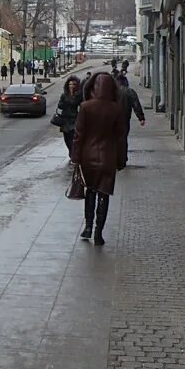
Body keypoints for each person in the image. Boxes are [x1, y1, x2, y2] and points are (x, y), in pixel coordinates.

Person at [71, 72, 124, 246]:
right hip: (108, 156)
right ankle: (99, 233)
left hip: (88, 156)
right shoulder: (116, 109)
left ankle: (87, 226)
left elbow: (78, 136)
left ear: (93, 87)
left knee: (90, 192)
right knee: (104, 194)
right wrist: (121, 160)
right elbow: (120, 137)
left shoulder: (85, 107)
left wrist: (76, 158)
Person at [115, 73, 146, 167]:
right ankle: (123, 159)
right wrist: (141, 118)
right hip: (124, 119)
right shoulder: (130, 91)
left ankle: (115, 158)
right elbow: (136, 104)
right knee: (123, 139)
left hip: (112, 120)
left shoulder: (111, 92)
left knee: (113, 139)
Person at [57, 75, 83, 157]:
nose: (71, 86)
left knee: (73, 138)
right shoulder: (64, 95)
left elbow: (80, 105)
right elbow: (60, 105)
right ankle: (71, 152)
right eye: (70, 84)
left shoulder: (79, 95)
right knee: (66, 138)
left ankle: (73, 154)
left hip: (74, 119)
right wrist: (66, 100)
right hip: (65, 119)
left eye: (73, 84)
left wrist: (72, 96)